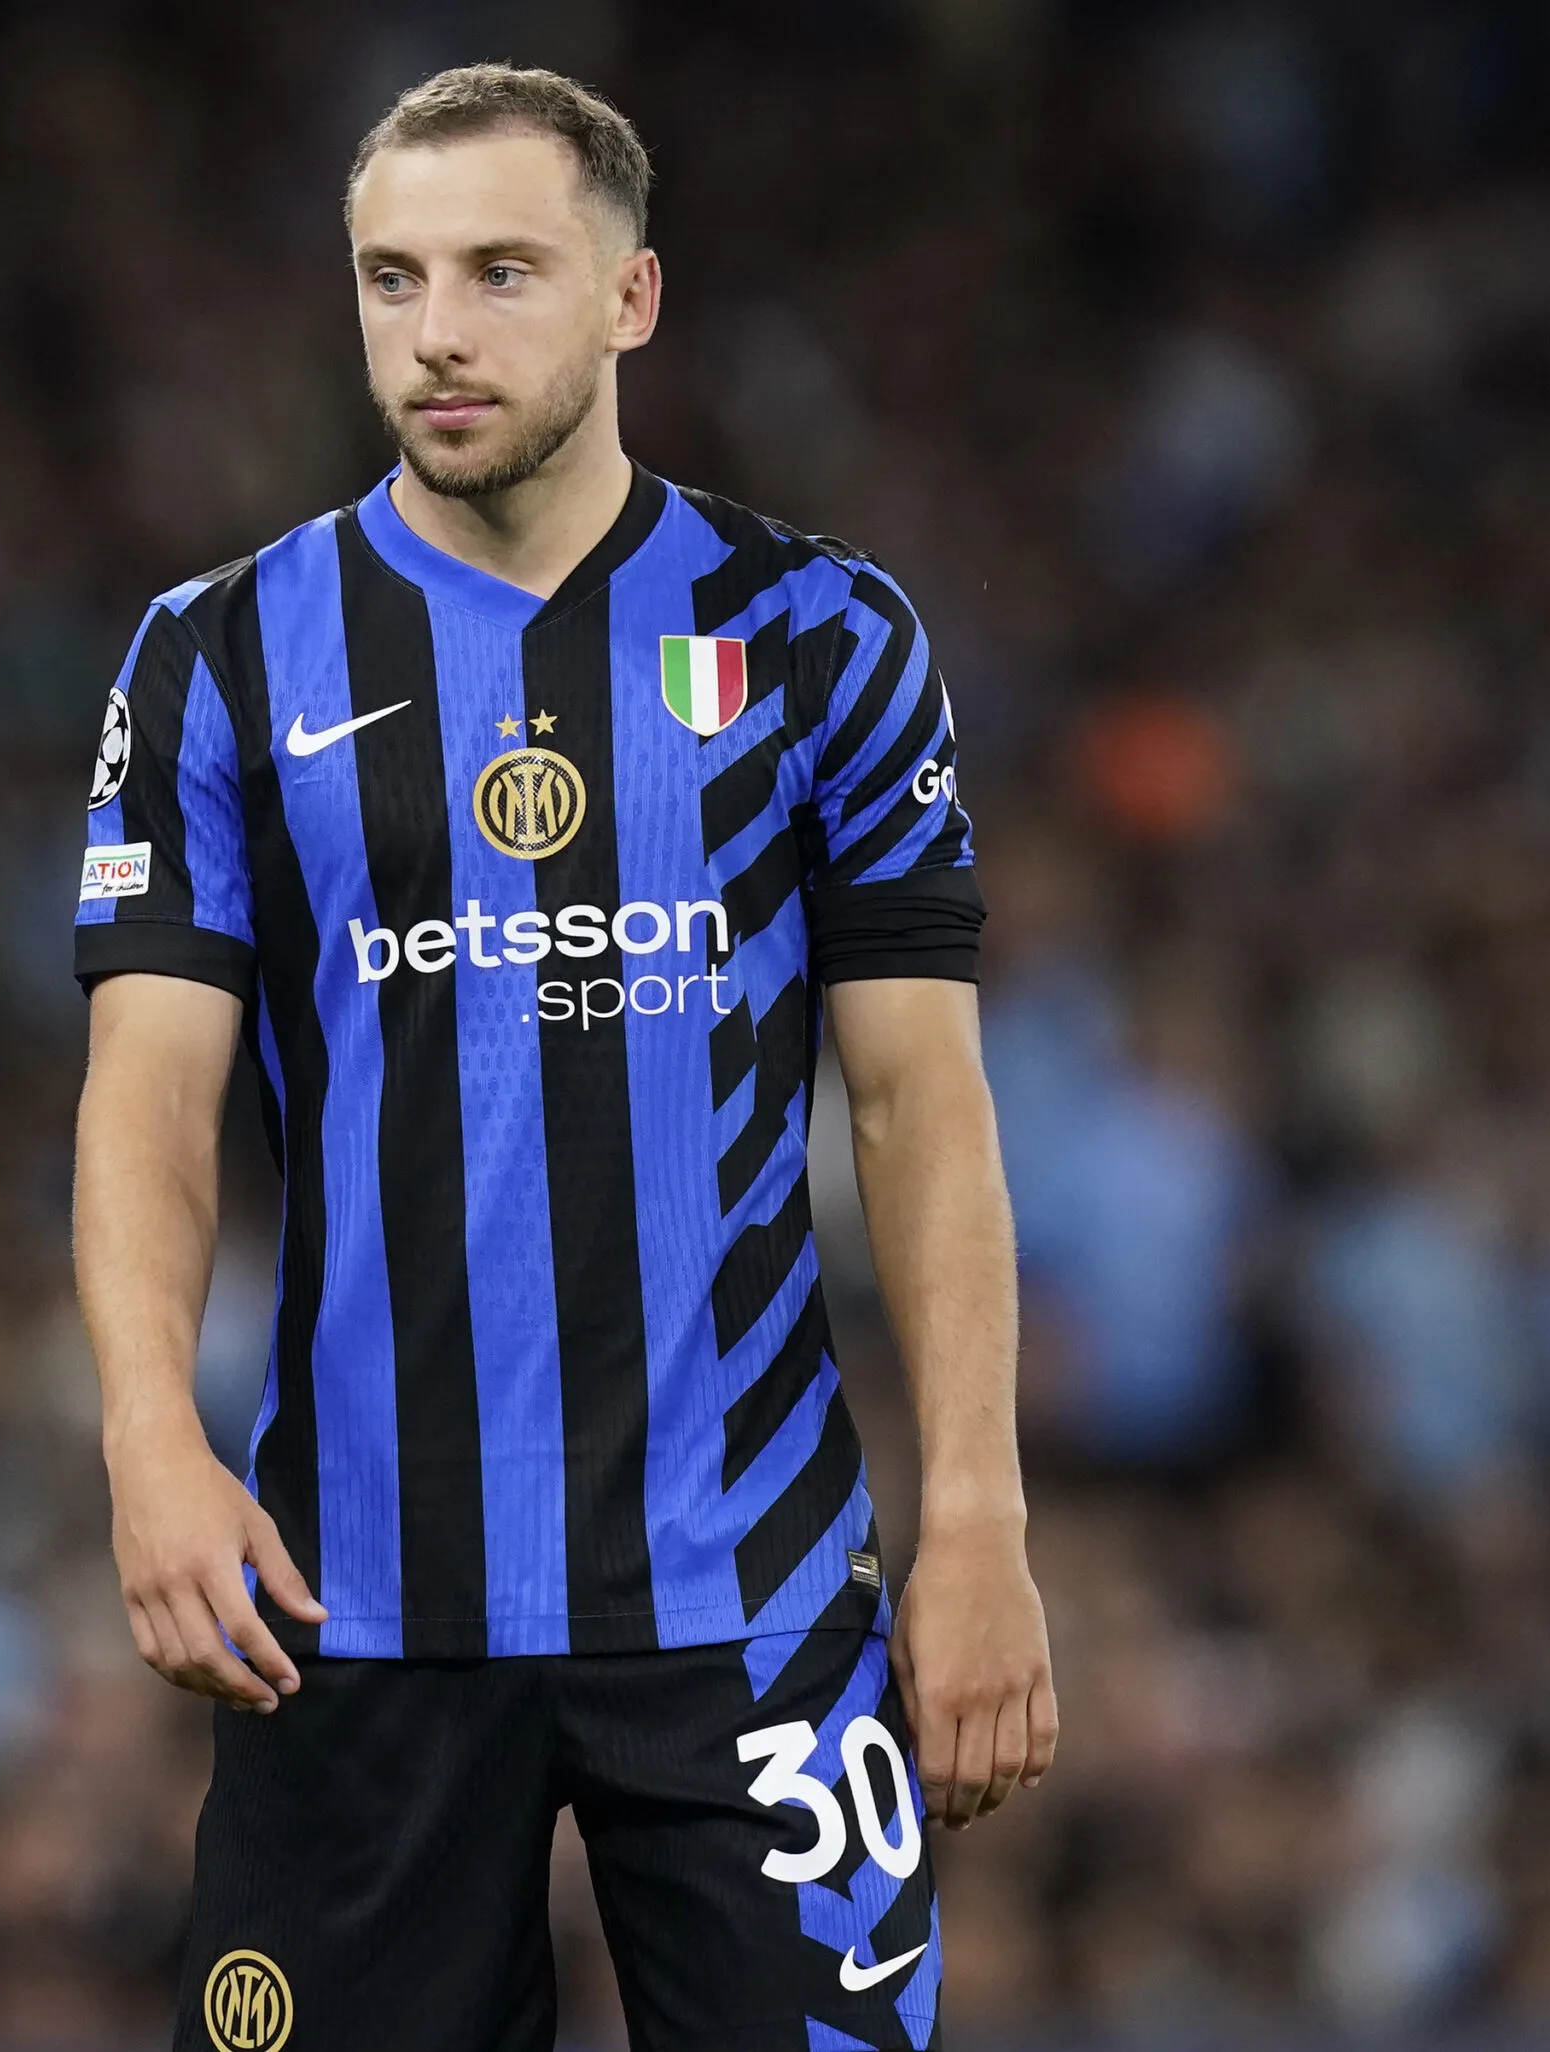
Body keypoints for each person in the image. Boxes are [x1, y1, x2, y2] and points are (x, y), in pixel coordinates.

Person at [71, 63, 1054, 2052]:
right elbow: (146, 1098)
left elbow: (917, 1110)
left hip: (753, 1599)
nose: (434, 330)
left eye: (500, 272)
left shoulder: (816, 635)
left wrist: (974, 1522)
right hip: (352, 1601)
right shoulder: (222, 653)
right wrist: (145, 1443)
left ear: (630, 298)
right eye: (389, 277)